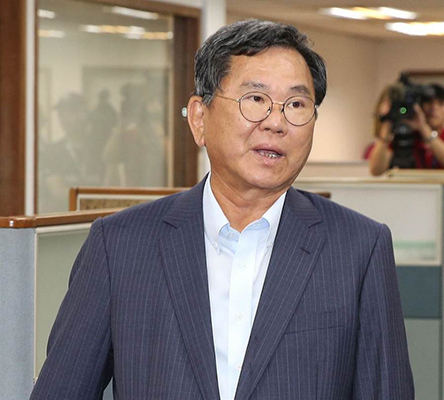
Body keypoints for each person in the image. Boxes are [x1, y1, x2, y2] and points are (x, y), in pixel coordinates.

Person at [30, 20, 414, 399]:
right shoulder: (120, 246)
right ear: (200, 118)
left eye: (296, 104)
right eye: (256, 99)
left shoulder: (358, 248)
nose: (276, 122)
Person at [369, 83, 444, 176]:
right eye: (429, 103)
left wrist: (423, 128)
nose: (434, 108)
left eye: (440, 103)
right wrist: (388, 122)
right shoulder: (407, 136)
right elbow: (376, 171)